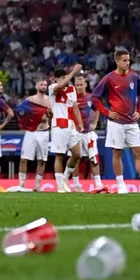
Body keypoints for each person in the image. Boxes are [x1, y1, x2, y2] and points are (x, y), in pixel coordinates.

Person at [92, 49, 140, 194]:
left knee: (139, 152)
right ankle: (121, 184)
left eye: (128, 60)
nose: (127, 62)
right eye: (124, 60)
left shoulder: (134, 77)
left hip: (132, 122)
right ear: (117, 61)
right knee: (117, 153)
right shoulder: (109, 78)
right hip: (115, 123)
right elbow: (95, 97)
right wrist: (107, 112)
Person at [48, 65, 84, 193]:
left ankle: (64, 177)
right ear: (56, 79)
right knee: (59, 156)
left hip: (71, 125)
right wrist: (73, 71)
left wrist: (80, 124)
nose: (65, 80)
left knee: (77, 154)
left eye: (66, 77)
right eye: (62, 78)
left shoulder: (71, 89)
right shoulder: (52, 88)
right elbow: (60, 85)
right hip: (58, 125)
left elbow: (75, 107)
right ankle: (60, 186)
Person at [73, 75, 107, 193]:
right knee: (75, 158)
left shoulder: (91, 97)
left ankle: (98, 184)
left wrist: (95, 123)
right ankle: (76, 185)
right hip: (76, 133)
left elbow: (97, 109)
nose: (79, 87)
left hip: (89, 133)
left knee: (94, 158)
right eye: (77, 85)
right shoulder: (72, 98)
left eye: (81, 85)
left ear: (85, 85)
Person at [16, 79, 51, 191]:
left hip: (44, 132)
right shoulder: (30, 100)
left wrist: (50, 116)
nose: (44, 86)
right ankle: (21, 184)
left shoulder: (50, 101)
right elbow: (20, 112)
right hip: (31, 132)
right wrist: (27, 122)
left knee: (42, 160)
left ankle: (37, 185)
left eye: (45, 84)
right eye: (41, 84)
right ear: (36, 86)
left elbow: (52, 116)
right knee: (24, 158)